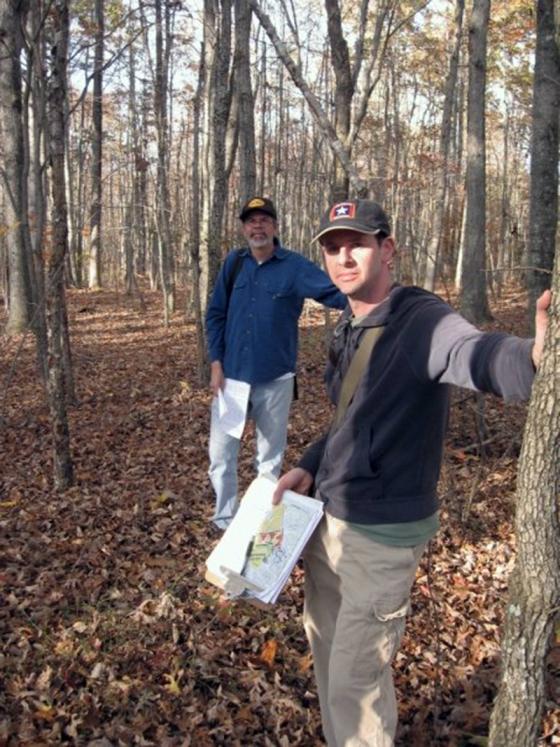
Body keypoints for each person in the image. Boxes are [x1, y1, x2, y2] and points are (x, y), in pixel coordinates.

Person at [272, 198, 551, 747]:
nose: (343, 255)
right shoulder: (348, 327)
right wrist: (308, 465)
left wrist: (534, 358)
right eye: (332, 246)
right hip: (328, 523)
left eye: (356, 242)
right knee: (328, 655)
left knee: (356, 683)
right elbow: (349, 420)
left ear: (388, 248)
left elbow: (475, 353)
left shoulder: (422, 320)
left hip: (379, 539)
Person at [206, 196, 346, 530]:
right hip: (232, 381)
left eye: (264, 220)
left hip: (276, 380)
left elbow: (334, 292)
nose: (258, 227)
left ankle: (258, 521)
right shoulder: (234, 263)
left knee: (269, 460)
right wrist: (215, 362)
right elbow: (215, 314)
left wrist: (374, 299)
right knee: (221, 458)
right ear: (244, 228)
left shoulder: (294, 266)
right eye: (251, 221)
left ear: (275, 226)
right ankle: (226, 521)